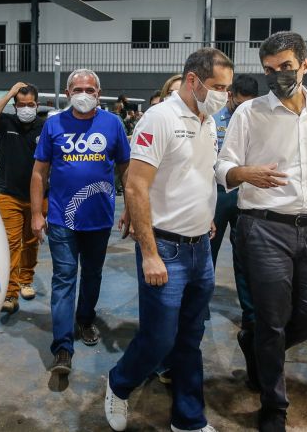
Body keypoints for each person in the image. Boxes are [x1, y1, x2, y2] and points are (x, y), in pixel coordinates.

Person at [216, 31, 307, 431]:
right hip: (264, 228)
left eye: (285, 67)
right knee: (272, 317)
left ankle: (256, 343)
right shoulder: (249, 113)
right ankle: (274, 405)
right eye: (270, 69)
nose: (278, 75)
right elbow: (221, 165)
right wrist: (242, 172)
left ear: (305, 64)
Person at [104, 47, 233, 432]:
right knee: (159, 339)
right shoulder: (159, 119)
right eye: (218, 87)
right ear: (192, 80)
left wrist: (206, 216)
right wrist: (149, 253)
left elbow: (197, 175)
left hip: (200, 249)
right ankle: (118, 382)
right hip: (167, 250)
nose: (224, 95)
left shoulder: (207, 120)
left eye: (227, 88)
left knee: (191, 339)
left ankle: (188, 420)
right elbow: (136, 186)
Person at [30, 69, 131, 375]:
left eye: (89, 89)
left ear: (99, 94)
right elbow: (39, 172)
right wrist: (37, 213)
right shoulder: (54, 124)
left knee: (92, 275)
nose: (84, 94)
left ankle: (85, 318)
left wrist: (131, 208)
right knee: (63, 278)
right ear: (67, 92)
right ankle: (62, 347)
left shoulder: (113, 124)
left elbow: (126, 168)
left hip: (99, 218)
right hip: (62, 217)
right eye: (78, 89)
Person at [0, 82, 46, 314]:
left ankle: (26, 280)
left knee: (30, 242)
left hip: (37, 196)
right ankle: (10, 293)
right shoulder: (6, 122)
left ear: (37, 105)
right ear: (15, 105)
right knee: (10, 243)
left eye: (30, 105)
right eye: (21, 104)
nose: (26, 108)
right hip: (9, 194)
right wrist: (9, 93)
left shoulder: (44, 126)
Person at [211, 74, 259, 339]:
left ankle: (250, 314)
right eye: (239, 104)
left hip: (244, 196)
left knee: (246, 257)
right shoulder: (213, 117)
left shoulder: (257, 118)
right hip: (216, 195)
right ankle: (199, 306)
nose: (244, 110)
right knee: (208, 253)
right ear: (230, 95)